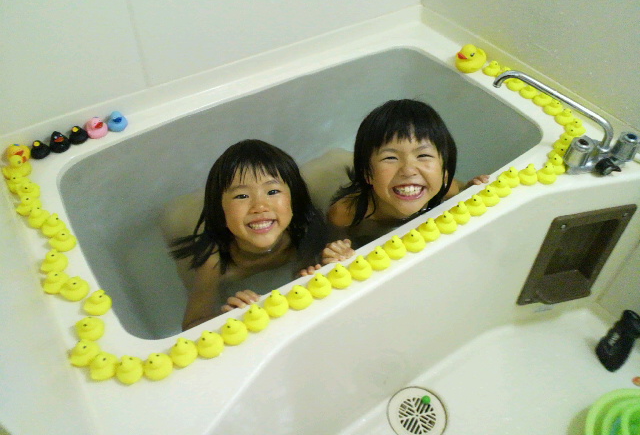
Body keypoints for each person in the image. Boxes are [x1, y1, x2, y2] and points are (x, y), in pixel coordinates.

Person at [172, 139, 327, 330]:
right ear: (220, 212)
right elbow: (191, 326)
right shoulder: (214, 261)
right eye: (242, 196)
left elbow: (307, 269)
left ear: (294, 200)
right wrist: (228, 317)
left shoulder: (304, 231)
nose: (259, 206)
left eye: (272, 191)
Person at [326, 99, 488, 259]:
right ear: (367, 174)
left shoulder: (447, 189)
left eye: (423, 155)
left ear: (445, 171)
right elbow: (333, 250)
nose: (408, 171)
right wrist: (337, 252)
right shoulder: (346, 213)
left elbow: (466, 195)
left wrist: (470, 190)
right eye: (390, 158)